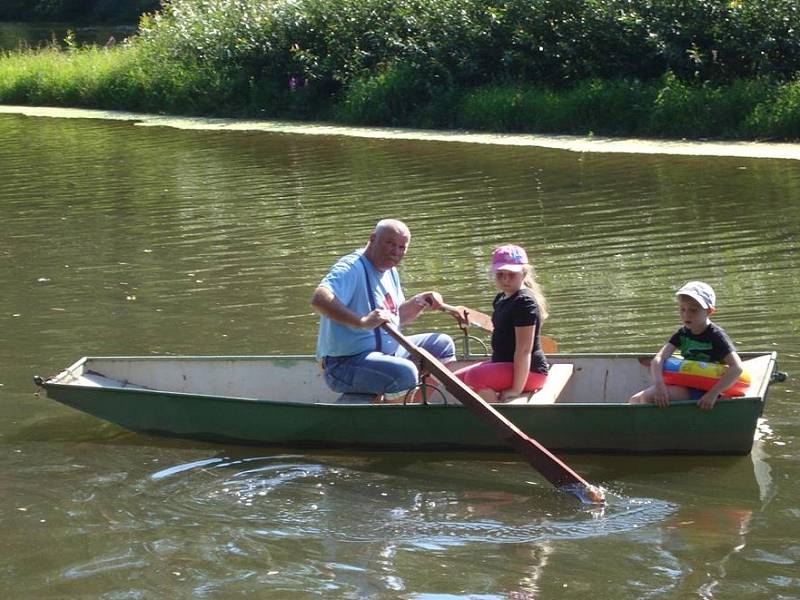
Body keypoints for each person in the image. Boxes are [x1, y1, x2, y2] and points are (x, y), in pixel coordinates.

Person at [311, 219, 455, 400]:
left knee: (442, 344)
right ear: (373, 239)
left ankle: (413, 408)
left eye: (402, 248)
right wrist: (361, 322)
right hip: (344, 365)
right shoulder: (351, 268)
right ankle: (400, 419)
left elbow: (397, 317)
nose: (396, 252)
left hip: (387, 355)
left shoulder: (390, 271)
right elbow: (319, 299)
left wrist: (419, 301)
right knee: (405, 373)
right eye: (390, 244)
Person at [454, 244, 550, 403]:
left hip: (530, 372)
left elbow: (524, 350)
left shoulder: (524, 302)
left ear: (524, 273)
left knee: (475, 378)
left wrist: (515, 389)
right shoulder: (501, 299)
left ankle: (498, 421)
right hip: (506, 365)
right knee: (454, 380)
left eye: (511, 274)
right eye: (500, 274)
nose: (505, 279)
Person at [629, 281, 744, 410]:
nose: (686, 315)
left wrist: (712, 394)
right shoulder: (683, 333)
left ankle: (653, 428)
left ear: (709, 311)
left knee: (648, 398)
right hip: (686, 382)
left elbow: (737, 367)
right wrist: (659, 384)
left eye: (693, 310)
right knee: (634, 400)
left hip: (703, 389)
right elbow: (658, 359)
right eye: (682, 309)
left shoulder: (716, 336)